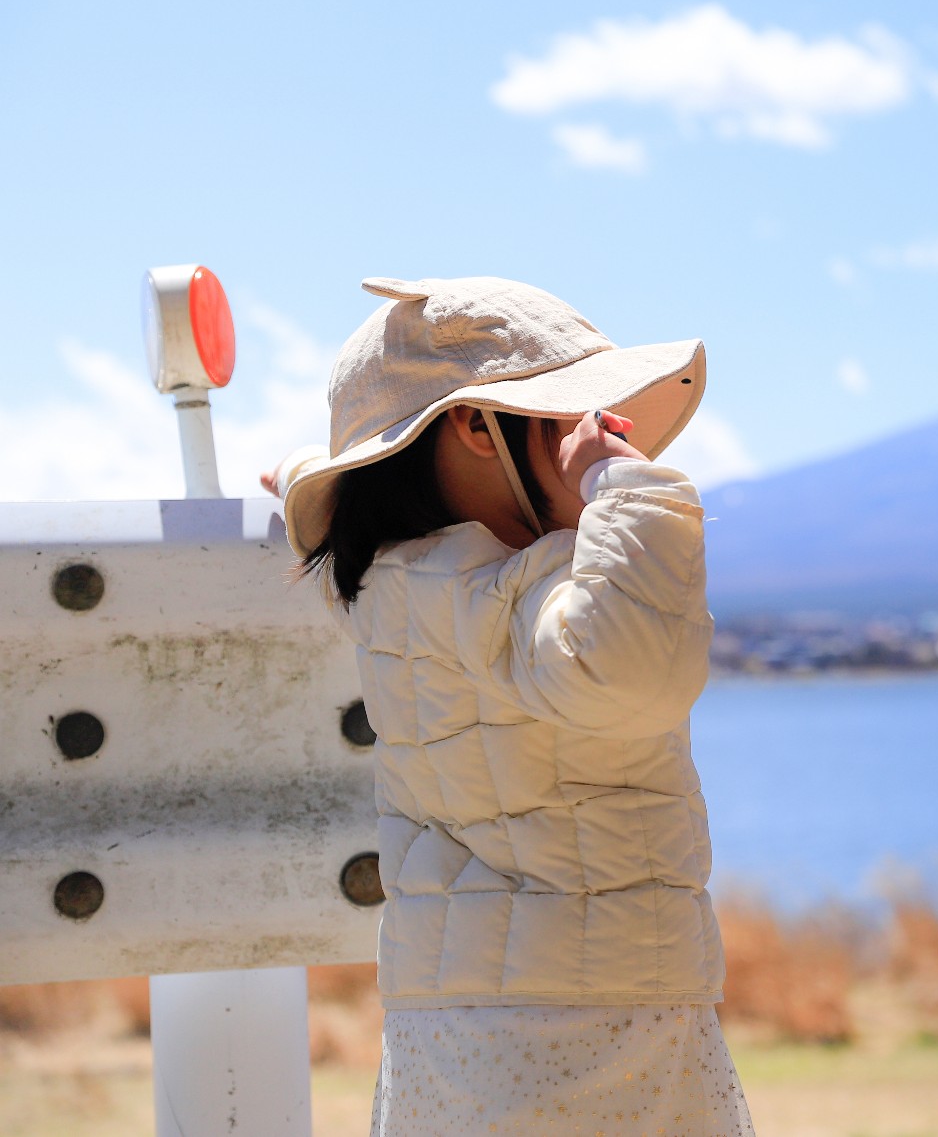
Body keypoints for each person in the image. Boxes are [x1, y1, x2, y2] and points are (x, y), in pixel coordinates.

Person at [270, 275, 754, 1137]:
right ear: (473, 425)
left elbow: (325, 532)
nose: (603, 434)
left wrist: (306, 480)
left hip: (448, 1027)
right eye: (574, 420)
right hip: (589, 1021)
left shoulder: (384, 591)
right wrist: (625, 486)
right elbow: (632, 670)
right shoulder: (512, 597)